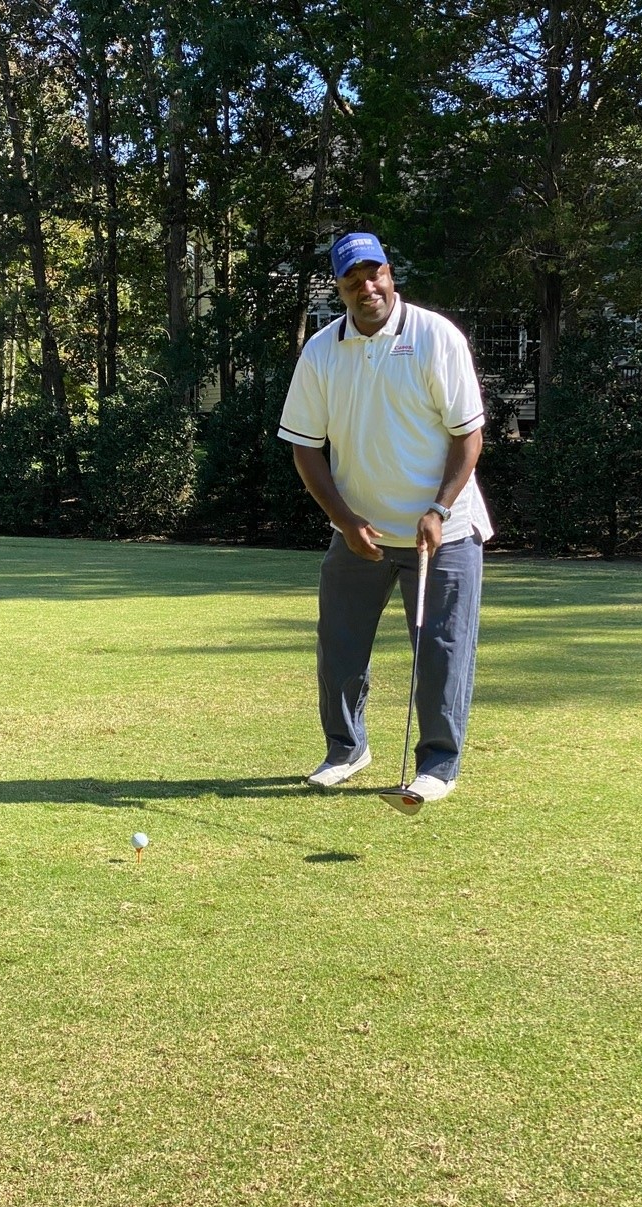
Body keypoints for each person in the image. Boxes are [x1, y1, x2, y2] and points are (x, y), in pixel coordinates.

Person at [278, 231, 493, 804]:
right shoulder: (322, 350)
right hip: (360, 533)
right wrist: (346, 521)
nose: (366, 286)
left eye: (375, 273)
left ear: (390, 273)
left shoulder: (433, 336)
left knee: (442, 651)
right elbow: (305, 448)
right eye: (353, 278)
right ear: (340, 287)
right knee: (340, 646)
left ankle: (437, 767)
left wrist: (439, 508)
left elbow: (468, 436)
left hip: (443, 531)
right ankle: (346, 748)